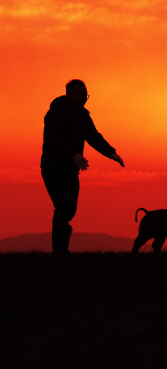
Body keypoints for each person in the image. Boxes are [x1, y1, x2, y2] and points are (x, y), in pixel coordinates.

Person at [41, 79, 125, 254]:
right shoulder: (55, 113)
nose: (83, 99)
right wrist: (73, 154)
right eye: (80, 95)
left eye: (85, 95)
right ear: (69, 94)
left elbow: (93, 136)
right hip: (53, 167)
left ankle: (61, 249)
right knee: (63, 206)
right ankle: (60, 251)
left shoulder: (82, 115)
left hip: (70, 169)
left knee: (70, 207)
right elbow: (54, 139)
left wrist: (111, 153)